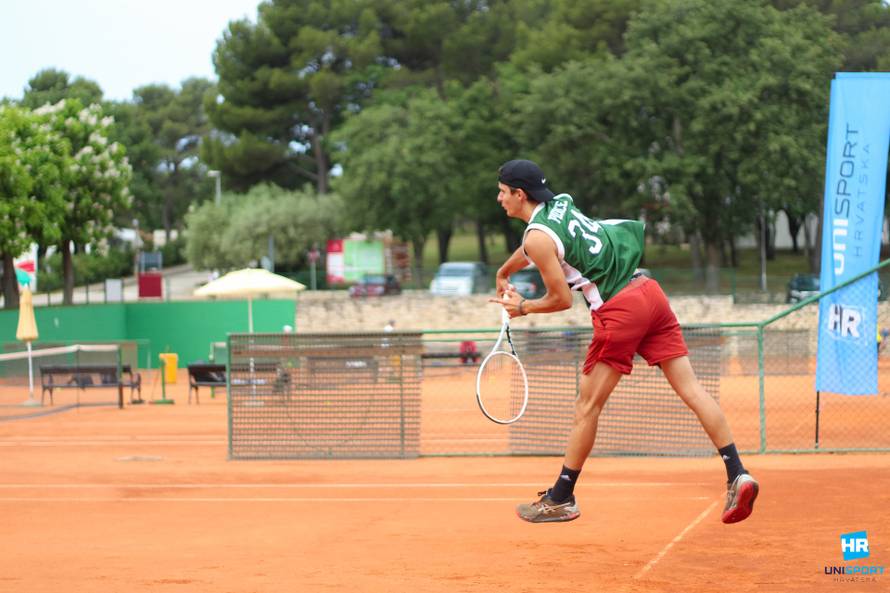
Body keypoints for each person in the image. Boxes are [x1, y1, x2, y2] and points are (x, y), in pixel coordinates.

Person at [490, 159, 758, 524]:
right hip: (649, 292)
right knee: (693, 389)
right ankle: (737, 472)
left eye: (503, 192)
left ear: (519, 194)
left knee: (587, 407)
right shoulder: (560, 205)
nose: (499, 198)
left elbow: (561, 299)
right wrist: (504, 271)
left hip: (620, 309)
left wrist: (523, 307)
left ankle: (562, 497)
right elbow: (536, 246)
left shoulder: (537, 237)